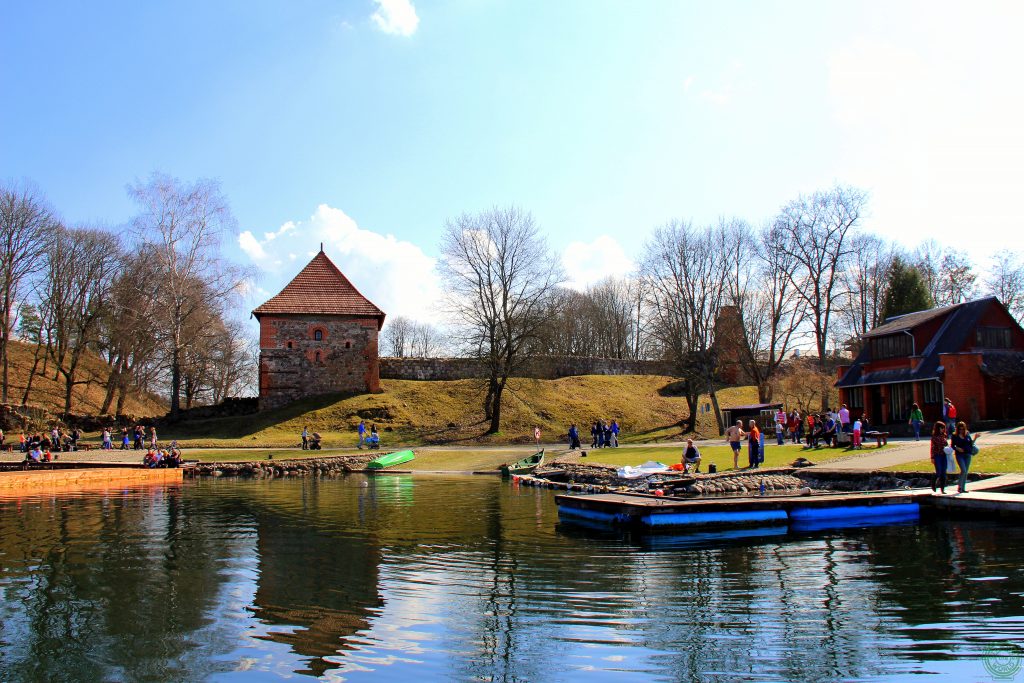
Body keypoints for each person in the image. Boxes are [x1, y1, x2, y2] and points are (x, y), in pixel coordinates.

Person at [951, 421, 976, 494]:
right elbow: (952, 445)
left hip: (967, 454)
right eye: (960, 429)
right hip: (959, 455)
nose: (961, 430)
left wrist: (975, 438)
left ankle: (963, 488)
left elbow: (971, 443)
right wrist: (957, 448)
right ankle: (959, 487)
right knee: (963, 470)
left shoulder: (967, 434)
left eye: (962, 429)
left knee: (965, 472)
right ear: (957, 429)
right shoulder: (954, 435)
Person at [930, 421, 949, 494]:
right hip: (937, 455)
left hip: (944, 455)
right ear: (938, 428)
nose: (943, 429)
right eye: (941, 428)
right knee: (939, 471)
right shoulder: (934, 437)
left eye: (944, 428)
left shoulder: (944, 436)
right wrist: (932, 457)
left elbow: (946, 445)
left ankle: (942, 489)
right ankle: (933, 482)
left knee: (944, 472)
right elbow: (932, 447)